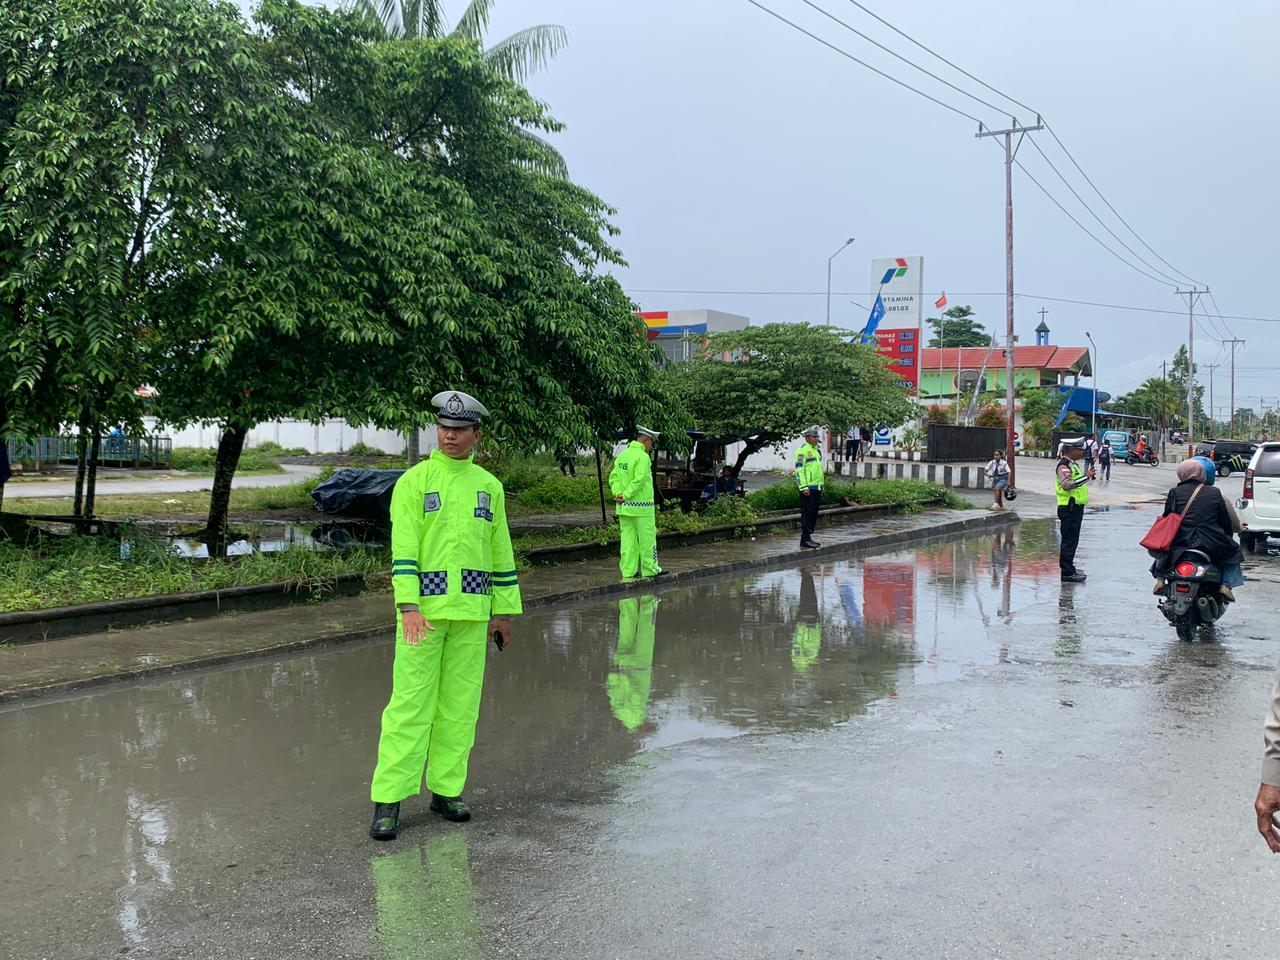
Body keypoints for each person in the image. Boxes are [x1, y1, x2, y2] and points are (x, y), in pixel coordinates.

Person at [369, 391, 522, 840]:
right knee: (410, 707)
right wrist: (408, 605)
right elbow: (404, 550)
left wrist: (503, 613)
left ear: (476, 434)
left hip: (473, 616)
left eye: (459, 430)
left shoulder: (488, 487)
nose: (450, 436)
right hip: (425, 616)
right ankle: (389, 800)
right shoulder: (415, 482)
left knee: (459, 709)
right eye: (444, 428)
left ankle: (446, 791)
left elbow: (500, 552)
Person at [1149, 457, 1244, 600]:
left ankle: (1160, 580)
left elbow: (1167, 518)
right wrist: (1225, 537)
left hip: (1181, 541)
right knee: (1235, 551)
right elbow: (1225, 522)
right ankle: (1226, 585)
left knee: (1163, 547)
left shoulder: (1174, 492)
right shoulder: (1214, 492)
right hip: (1210, 541)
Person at [609, 427, 665, 580]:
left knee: (627, 542)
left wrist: (619, 494)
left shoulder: (623, 455)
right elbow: (639, 480)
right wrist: (626, 495)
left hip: (623, 508)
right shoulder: (643, 457)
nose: (651, 447)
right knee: (648, 540)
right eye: (651, 443)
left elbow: (613, 478)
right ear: (645, 440)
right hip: (642, 509)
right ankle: (650, 569)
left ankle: (628, 572)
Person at [1055, 437, 1094, 583]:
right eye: (1080, 449)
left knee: (1072, 540)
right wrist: (1086, 477)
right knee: (1069, 541)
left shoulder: (1072, 464)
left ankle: (1069, 568)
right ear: (1071, 450)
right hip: (1069, 508)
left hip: (1075, 507)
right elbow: (1066, 484)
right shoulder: (1064, 466)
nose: (1082, 452)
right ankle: (1067, 573)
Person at [795, 426, 825, 549]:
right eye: (814, 437)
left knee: (813, 513)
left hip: (817, 486)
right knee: (807, 514)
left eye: (817, 437)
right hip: (808, 488)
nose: (816, 439)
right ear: (807, 438)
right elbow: (799, 470)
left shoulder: (816, 450)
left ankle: (807, 538)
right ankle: (806, 538)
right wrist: (803, 487)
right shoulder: (803, 451)